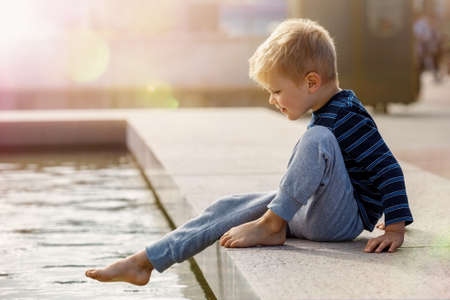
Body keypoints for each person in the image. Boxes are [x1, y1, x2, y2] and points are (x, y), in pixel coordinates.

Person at [85, 18, 414, 286]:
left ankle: (272, 224)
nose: (273, 99)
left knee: (318, 140)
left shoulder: (346, 116)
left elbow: (387, 167)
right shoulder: (330, 111)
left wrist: (396, 227)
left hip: (340, 222)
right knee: (227, 206)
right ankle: (145, 261)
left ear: (311, 82)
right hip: (317, 214)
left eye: (277, 91)